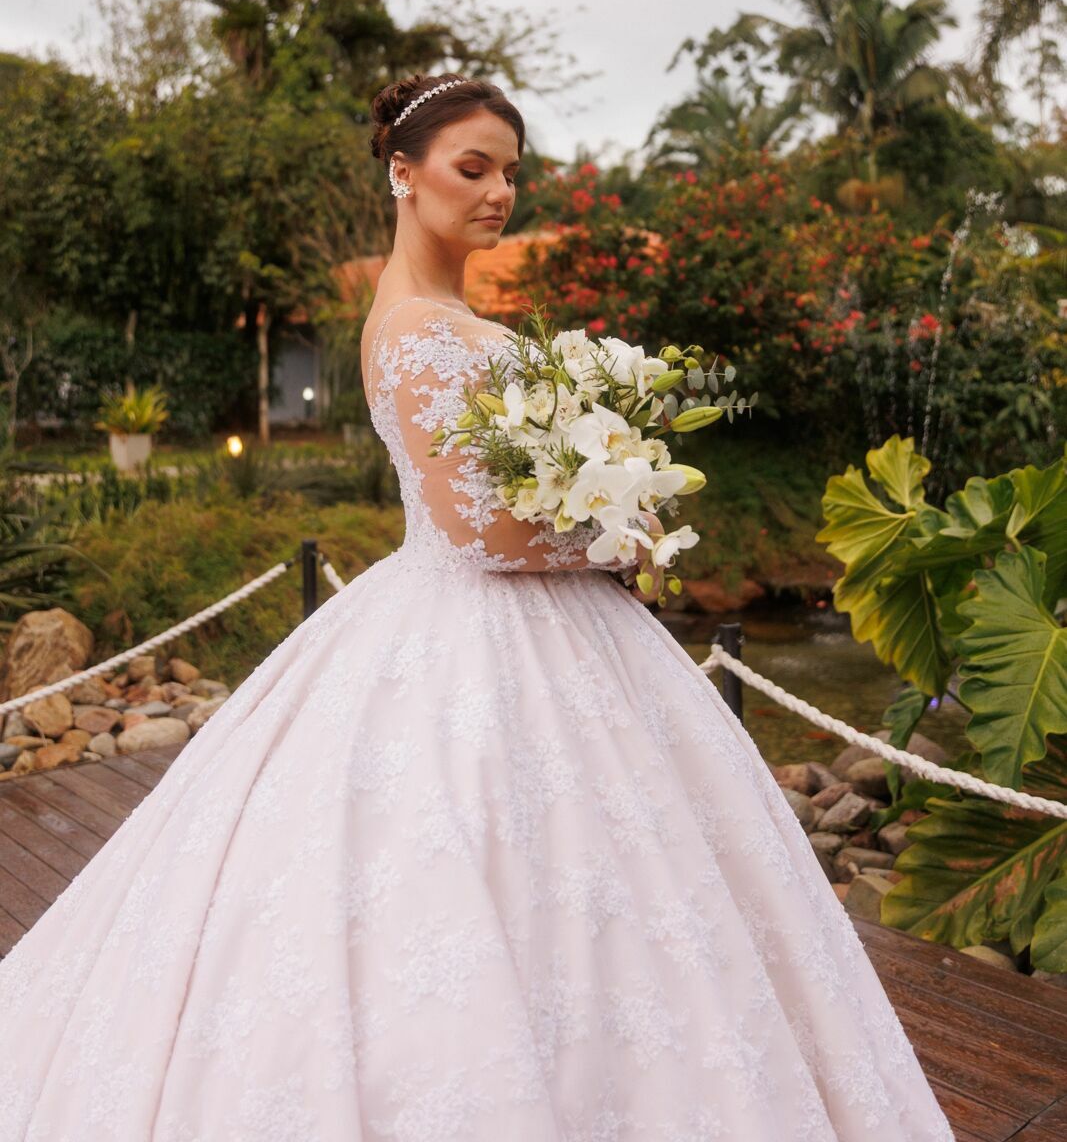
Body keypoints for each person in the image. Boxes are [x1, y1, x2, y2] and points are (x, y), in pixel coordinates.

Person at [0, 73, 954, 1141]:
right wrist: (620, 528)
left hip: (523, 625)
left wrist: (605, 483)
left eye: (510, 170)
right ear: (403, 175)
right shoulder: (415, 330)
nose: (499, 190)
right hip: (464, 621)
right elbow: (479, 530)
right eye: (472, 167)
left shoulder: (457, 317)